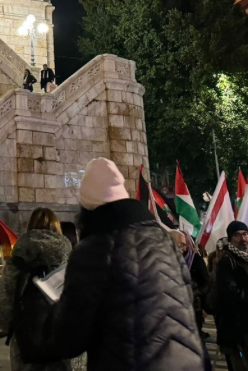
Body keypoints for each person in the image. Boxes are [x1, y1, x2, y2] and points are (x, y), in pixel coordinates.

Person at [24, 158, 205, 370]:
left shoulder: (94, 250)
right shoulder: (164, 242)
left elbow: (68, 337)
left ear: (87, 209)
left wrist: (34, 304)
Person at [0, 208, 82, 371]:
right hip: (65, 349)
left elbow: (3, 312)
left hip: (27, 349)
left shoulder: (16, 264)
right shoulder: (72, 260)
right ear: (57, 228)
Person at [213, 221, 248, 371]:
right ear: (230, 239)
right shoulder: (227, 262)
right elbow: (229, 295)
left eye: (245, 234)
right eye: (237, 235)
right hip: (239, 330)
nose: (243, 238)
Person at [170, 230, 211, 338]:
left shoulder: (195, 260)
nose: (184, 249)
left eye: (185, 245)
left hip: (194, 308)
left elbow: (207, 282)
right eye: (181, 245)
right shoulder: (165, 261)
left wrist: (195, 293)